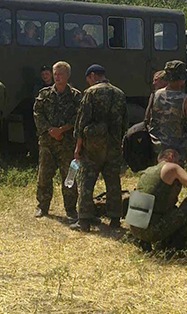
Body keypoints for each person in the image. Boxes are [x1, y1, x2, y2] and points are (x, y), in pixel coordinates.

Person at [71, 64, 128, 232]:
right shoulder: (119, 93)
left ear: (93, 76)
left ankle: (84, 221)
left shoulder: (91, 93)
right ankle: (115, 219)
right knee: (113, 183)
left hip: (93, 147)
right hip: (113, 146)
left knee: (86, 182)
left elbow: (82, 123)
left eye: (88, 79)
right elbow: (124, 122)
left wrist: (78, 147)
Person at [129, 149, 187, 250]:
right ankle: (179, 242)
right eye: (180, 160)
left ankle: (148, 241)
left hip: (135, 229)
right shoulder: (172, 167)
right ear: (171, 156)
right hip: (152, 230)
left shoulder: (148, 171)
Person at [33, 61, 81, 219]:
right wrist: (50, 130)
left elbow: (79, 117)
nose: (57, 77)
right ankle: (42, 206)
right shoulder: (44, 94)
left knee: (69, 177)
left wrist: (62, 130)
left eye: (61, 74)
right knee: (44, 175)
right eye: (55, 74)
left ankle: (71, 209)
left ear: (67, 75)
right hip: (48, 142)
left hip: (67, 143)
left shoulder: (76, 96)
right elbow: (37, 113)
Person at [148, 61, 187, 161]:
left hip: (156, 145)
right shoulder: (186, 99)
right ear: (182, 79)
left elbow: (149, 118)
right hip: (176, 149)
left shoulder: (156, 95)